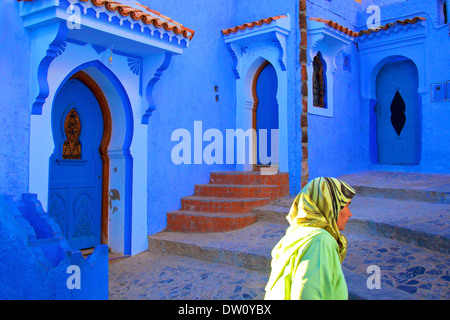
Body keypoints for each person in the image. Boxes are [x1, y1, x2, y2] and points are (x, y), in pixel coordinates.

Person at [264, 177, 356, 300]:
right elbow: (307, 294)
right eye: (346, 206)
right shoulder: (320, 241)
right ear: (330, 206)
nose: (350, 214)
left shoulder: (297, 233)